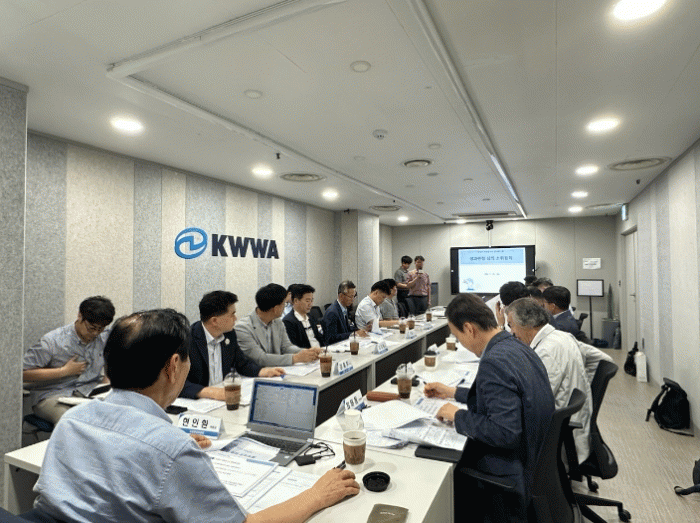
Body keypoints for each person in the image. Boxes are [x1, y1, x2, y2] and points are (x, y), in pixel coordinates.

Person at [32, 309, 359, 523]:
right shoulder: (170, 450)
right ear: (173, 366)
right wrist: (317, 495)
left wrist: (165, 443)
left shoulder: (73, 419)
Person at [423, 293, 554, 523]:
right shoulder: (513, 344)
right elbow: (503, 397)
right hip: (531, 455)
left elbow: (505, 432)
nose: (461, 343)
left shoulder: (494, 361)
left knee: (438, 469)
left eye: (457, 336)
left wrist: (458, 415)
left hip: (510, 469)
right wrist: (453, 392)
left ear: (469, 329)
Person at [506, 298, 593, 463]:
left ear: (527, 324)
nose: (512, 332)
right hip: (565, 428)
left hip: (556, 441)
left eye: (511, 325)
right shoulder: (561, 336)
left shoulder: (547, 352)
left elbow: (532, 404)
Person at [22, 296, 115, 424]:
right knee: (70, 420)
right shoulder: (53, 341)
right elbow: (23, 374)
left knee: (118, 414)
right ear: (80, 316)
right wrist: (63, 371)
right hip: (52, 395)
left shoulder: (105, 337)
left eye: (100, 329)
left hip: (89, 392)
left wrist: (105, 387)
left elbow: (112, 363)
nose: (95, 334)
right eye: (92, 328)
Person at [180, 291, 285, 400]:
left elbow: (242, 364)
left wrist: (262, 371)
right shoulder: (186, 340)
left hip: (223, 398)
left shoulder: (229, 334)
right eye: (232, 314)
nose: (235, 318)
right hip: (198, 402)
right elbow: (177, 383)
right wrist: (211, 392)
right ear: (215, 321)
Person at [236, 284, 320, 366]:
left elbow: (286, 347)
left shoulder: (277, 322)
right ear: (276, 309)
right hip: (258, 372)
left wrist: (308, 352)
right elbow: (260, 358)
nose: (285, 307)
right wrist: (295, 358)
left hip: (278, 370)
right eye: (284, 304)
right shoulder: (243, 328)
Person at [282, 284, 325, 349]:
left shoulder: (310, 317)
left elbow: (320, 339)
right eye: (307, 301)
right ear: (296, 301)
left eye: (311, 300)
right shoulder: (288, 321)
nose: (310, 304)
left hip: (321, 351)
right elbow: (295, 347)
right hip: (307, 353)